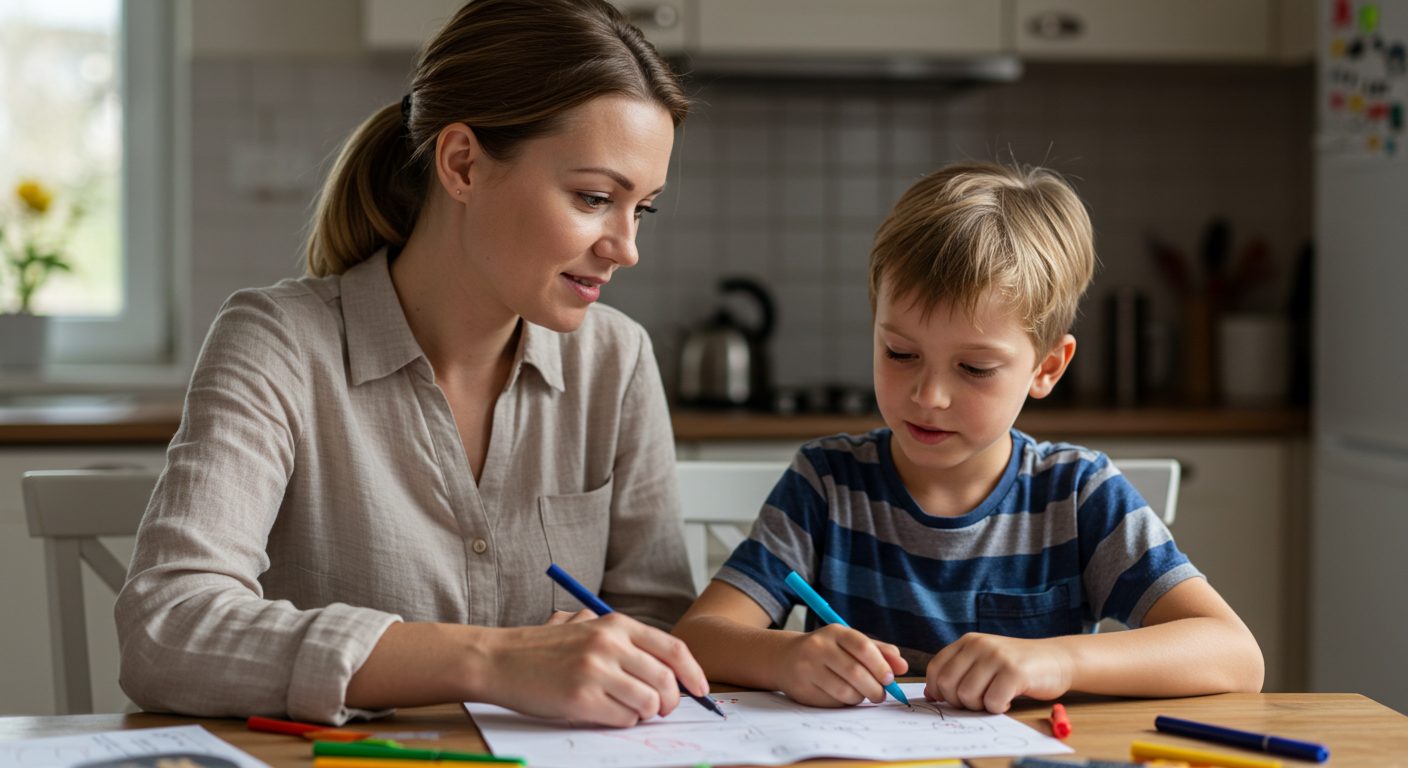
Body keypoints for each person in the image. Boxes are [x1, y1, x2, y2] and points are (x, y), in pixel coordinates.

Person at [116, 0, 708, 728]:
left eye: (641, 208)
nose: (626, 246)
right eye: (593, 198)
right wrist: (492, 659)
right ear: (462, 163)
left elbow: (656, 624)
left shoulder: (616, 361)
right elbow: (167, 628)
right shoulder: (278, 343)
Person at [673, 162, 1265, 713]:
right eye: (900, 353)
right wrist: (786, 658)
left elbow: (1235, 655)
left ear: (1046, 369)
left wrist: (1056, 659)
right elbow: (698, 638)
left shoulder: (1078, 496)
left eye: (975, 368)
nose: (929, 396)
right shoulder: (826, 483)